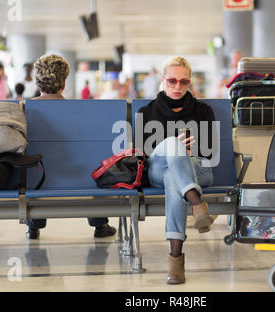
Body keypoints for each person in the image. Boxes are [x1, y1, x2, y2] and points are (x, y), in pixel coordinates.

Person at [137, 56, 216, 284]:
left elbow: (209, 154)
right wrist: (173, 149)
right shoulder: (146, 112)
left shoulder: (204, 111)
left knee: (175, 175)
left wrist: (185, 155)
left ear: (190, 82)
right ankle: (196, 203)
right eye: (172, 81)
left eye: (183, 82)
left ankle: (175, 260)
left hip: (198, 170)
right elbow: (143, 154)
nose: (177, 87)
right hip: (156, 172)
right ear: (163, 80)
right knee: (173, 146)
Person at [25, 54, 117, 240]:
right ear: (64, 82)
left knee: (35, 168)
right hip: (82, 178)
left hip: (38, 179)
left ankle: (34, 225)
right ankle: (100, 224)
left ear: (37, 82)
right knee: (93, 163)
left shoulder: (25, 110)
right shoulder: (82, 111)